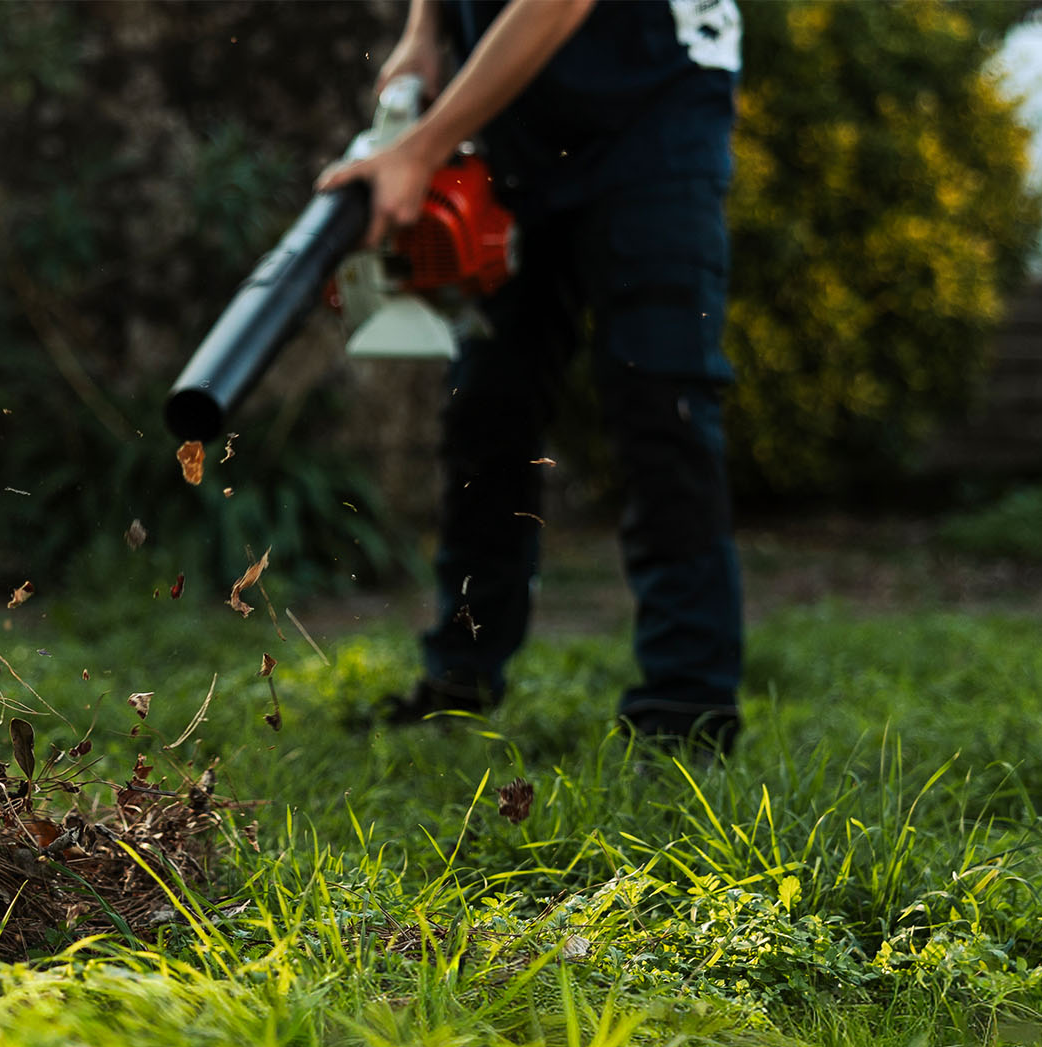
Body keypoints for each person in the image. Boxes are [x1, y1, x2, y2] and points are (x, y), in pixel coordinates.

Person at [318, 0, 747, 754]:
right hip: (519, 121)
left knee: (661, 399)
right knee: (489, 409)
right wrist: (426, 30)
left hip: (657, 101)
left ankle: (687, 710)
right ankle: (459, 678)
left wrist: (420, 149)